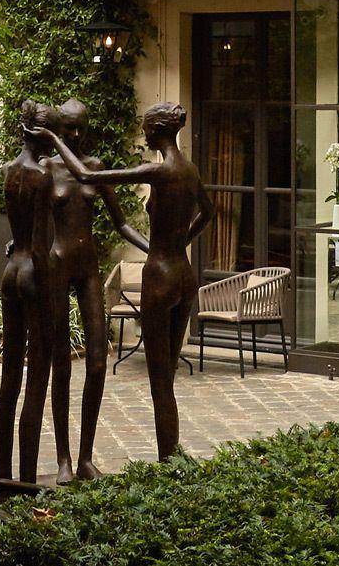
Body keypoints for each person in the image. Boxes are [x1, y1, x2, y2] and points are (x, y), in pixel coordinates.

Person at [49, 101, 209, 460]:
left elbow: (88, 177)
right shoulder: (191, 170)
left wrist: (50, 137)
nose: (144, 133)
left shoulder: (157, 170)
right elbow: (208, 213)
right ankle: (173, 457)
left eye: (147, 128)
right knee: (166, 377)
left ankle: (169, 461)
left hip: (161, 276)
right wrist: (177, 242)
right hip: (184, 273)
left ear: (158, 130)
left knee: (160, 382)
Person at [0, 98, 110, 481]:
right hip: (46, 270)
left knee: (93, 362)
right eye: (66, 128)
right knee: (48, 370)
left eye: (81, 127)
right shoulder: (45, 172)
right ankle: (50, 465)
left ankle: (80, 459)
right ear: (52, 131)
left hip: (73, 267)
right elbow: (38, 235)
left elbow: (118, 218)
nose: (74, 135)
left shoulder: (88, 168)